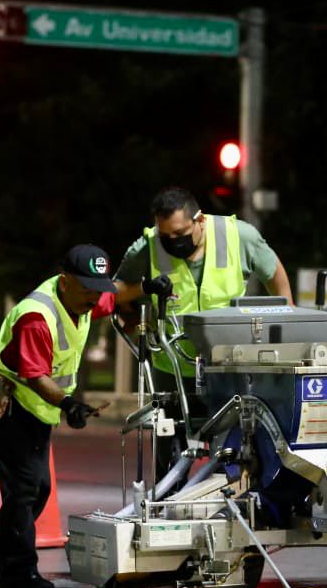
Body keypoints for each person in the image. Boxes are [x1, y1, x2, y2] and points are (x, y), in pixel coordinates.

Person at [113, 186, 292, 476]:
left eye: (180, 235)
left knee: (232, 451)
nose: (172, 242)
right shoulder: (147, 246)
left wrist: (285, 322)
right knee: (170, 456)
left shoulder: (238, 236)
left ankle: (230, 503)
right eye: (165, 236)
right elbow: (115, 292)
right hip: (170, 367)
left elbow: (275, 274)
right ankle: (168, 504)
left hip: (228, 366)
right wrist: (144, 287)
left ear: (200, 220)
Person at [0, 244, 117, 588]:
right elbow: (35, 375)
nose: (95, 297)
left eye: (99, 288)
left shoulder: (87, 297)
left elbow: (117, 297)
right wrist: (71, 405)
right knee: (25, 488)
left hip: (38, 409)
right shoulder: (36, 317)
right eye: (87, 287)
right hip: (9, 404)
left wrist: (146, 290)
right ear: (65, 280)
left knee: (35, 489)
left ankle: (2, 557)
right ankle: (17, 571)